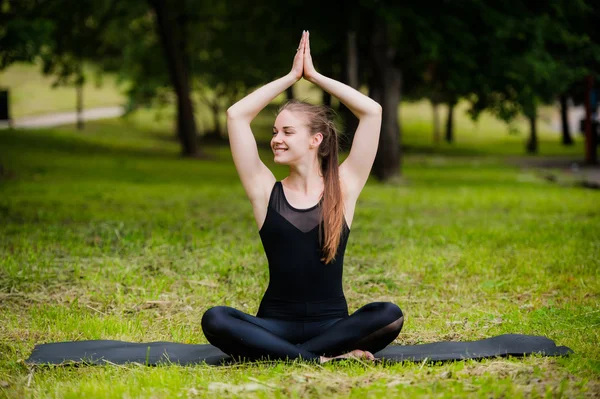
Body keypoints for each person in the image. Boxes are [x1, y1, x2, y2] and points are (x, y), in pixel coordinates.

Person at [201, 31, 403, 363]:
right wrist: (291, 77)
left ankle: (294, 356)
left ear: (315, 140)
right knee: (216, 318)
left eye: (287, 132)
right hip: (274, 325)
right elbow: (237, 115)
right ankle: (320, 358)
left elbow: (372, 112)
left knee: (388, 312)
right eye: (274, 132)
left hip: (333, 325)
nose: (276, 139)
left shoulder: (345, 185)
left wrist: (317, 77)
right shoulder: (265, 190)